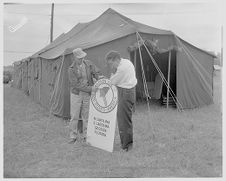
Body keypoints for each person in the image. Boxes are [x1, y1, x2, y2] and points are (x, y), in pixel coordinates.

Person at [105, 51, 137, 152]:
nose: (110, 66)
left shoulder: (122, 69)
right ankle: (126, 143)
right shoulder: (126, 62)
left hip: (125, 93)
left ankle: (127, 146)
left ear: (116, 60)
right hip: (129, 91)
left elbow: (112, 82)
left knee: (123, 120)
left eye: (111, 63)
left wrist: (106, 79)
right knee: (124, 119)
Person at [68, 48, 101, 144]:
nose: (81, 59)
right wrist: (91, 88)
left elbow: (96, 72)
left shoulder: (89, 63)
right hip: (76, 94)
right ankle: (73, 136)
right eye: (79, 58)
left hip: (87, 94)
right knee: (74, 116)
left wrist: (100, 78)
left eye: (82, 57)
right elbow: (76, 85)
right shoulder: (71, 69)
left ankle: (86, 136)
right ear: (74, 57)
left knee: (86, 115)